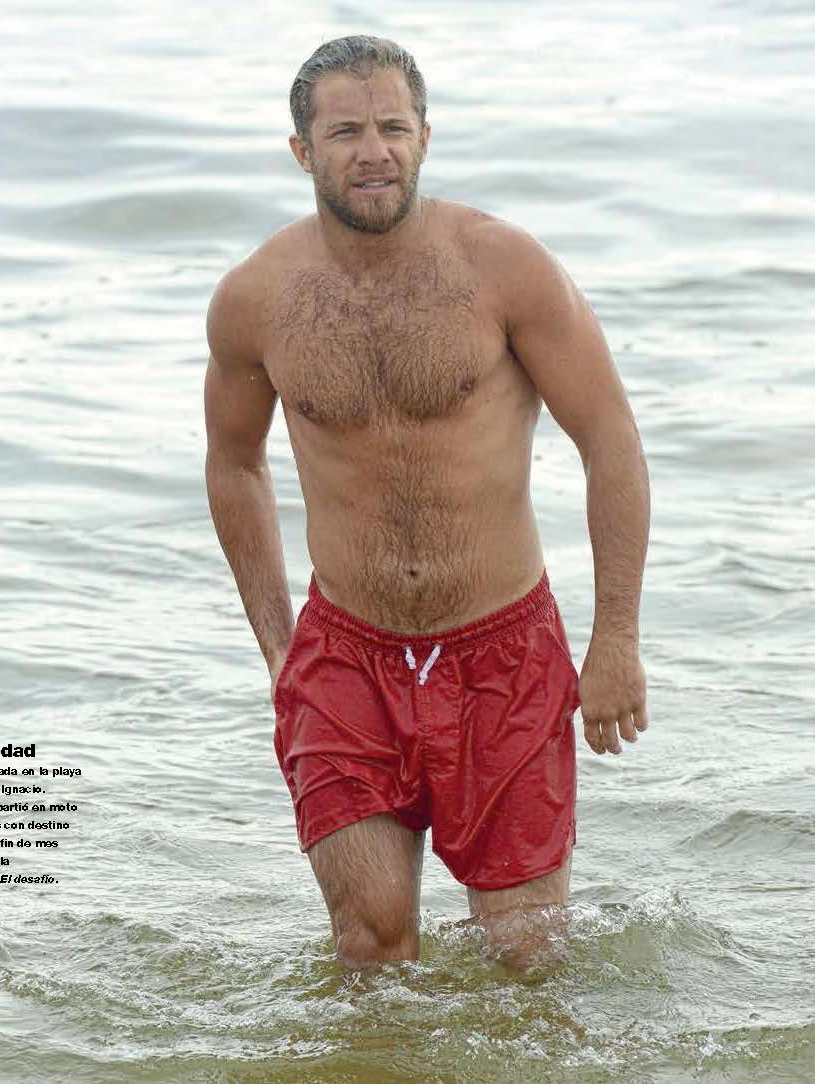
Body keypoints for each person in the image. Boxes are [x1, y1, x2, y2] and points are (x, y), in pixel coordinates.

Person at [203, 35, 649, 970]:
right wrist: (281, 648)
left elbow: (610, 441)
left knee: (526, 962)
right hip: (347, 658)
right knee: (369, 947)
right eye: (346, 132)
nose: (374, 150)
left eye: (393, 127)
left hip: (504, 650)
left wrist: (615, 642)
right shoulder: (255, 299)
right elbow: (234, 462)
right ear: (302, 150)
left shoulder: (504, 267)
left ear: (425, 137)